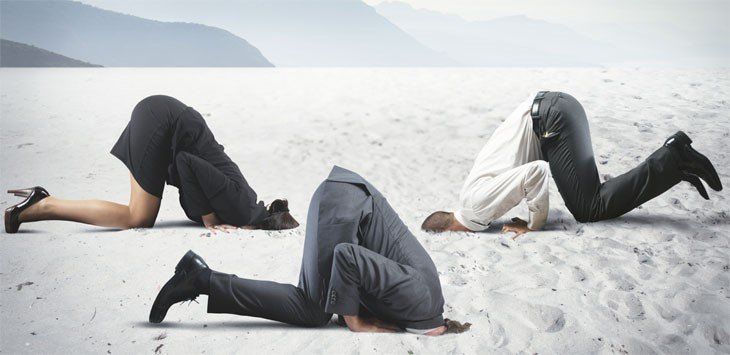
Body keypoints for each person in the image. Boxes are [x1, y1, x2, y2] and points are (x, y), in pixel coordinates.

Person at [148, 166, 470, 335]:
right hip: (344, 205)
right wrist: (356, 321)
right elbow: (347, 256)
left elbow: (367, 272)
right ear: (436, 331)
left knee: (319, 305)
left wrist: (354, 312)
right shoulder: (420, 299)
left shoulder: (422, 303)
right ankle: (201, 278)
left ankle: (201, 276)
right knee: (313, 310)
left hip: (343, 200)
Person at [422, 91, 722, 236]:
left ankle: (674, 158)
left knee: (588, 209)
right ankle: (675, 165)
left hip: (552, 119)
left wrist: (532, 224)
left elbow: (536, 171)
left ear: (450, 230)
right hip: (556, 109)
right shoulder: (471, 195)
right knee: (588, 196)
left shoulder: (475, 208)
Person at [4, 95, 298, 233]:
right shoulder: (242, 208)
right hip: (165, 123)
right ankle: (44, 203)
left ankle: (39, 206)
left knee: (139, 213)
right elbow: (186, 161)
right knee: (138, 218)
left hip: (164, 117)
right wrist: (209, 219)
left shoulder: (245, 204)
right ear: (266, 226)